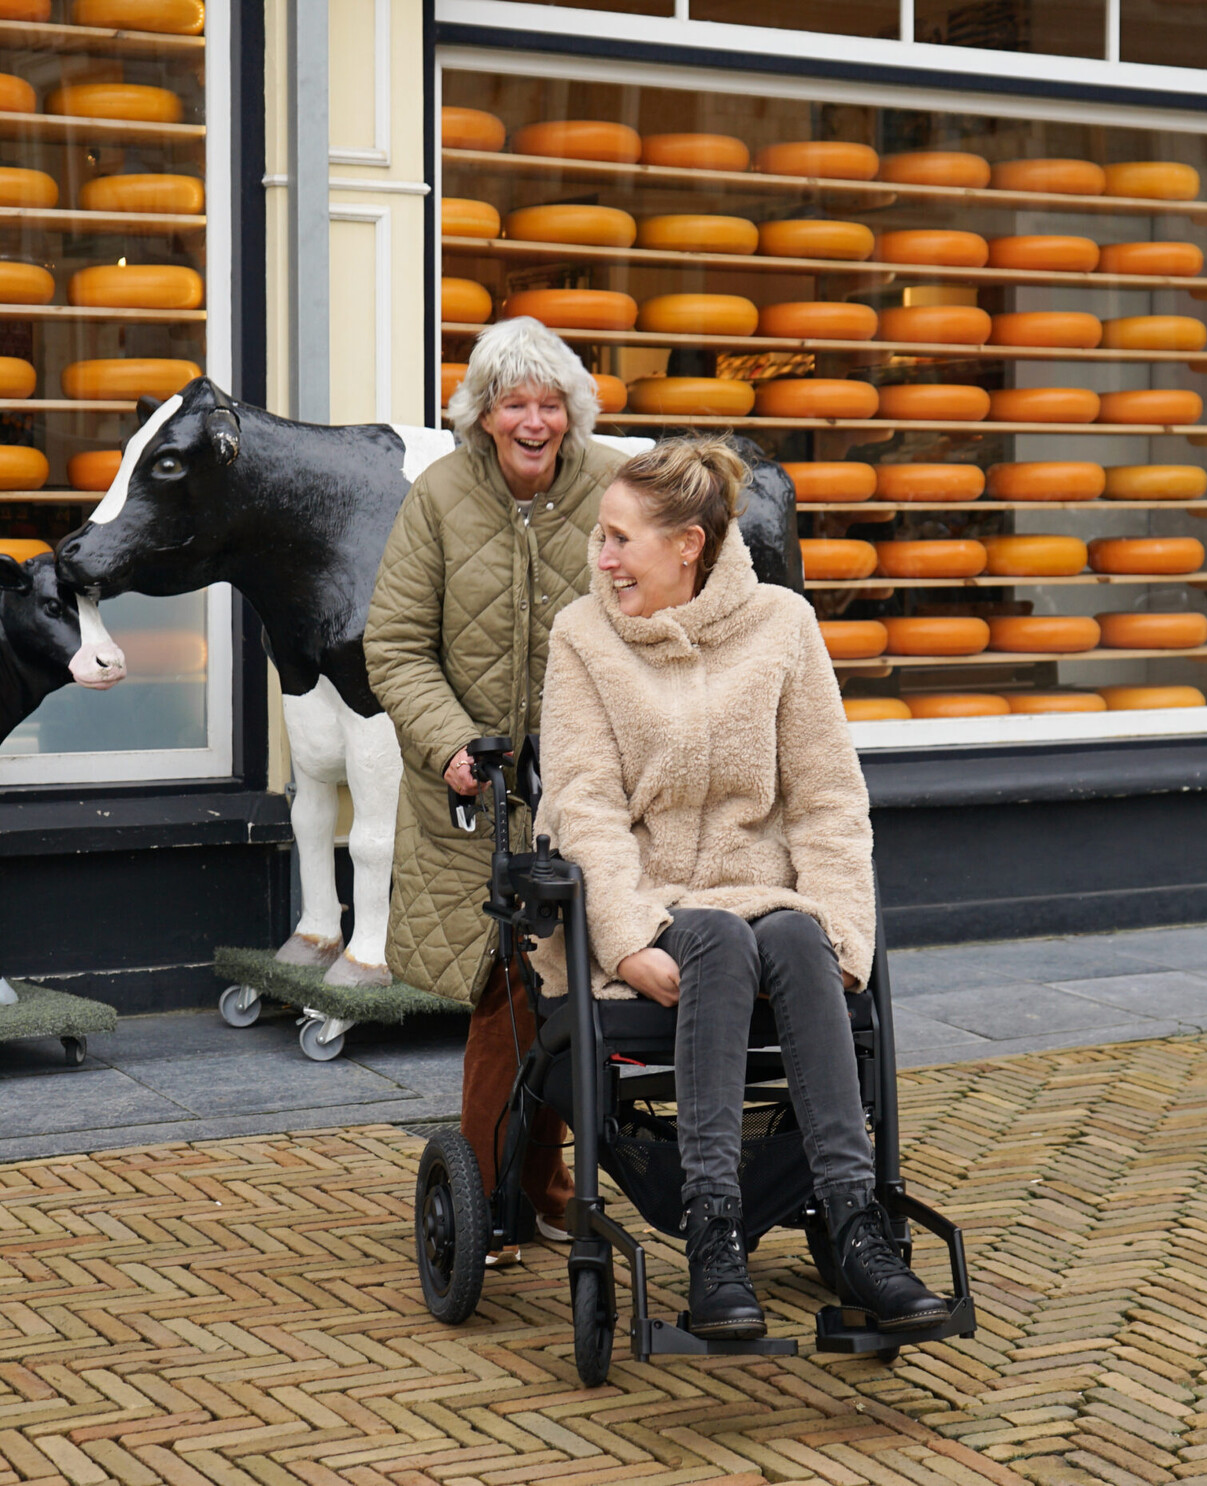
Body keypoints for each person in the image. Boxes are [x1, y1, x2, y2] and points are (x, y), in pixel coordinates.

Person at [534, 435, 948, 1339]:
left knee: (800, 940)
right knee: (719, 938)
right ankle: (713, 1237)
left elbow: (829, 799)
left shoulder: (783, 627)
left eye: (618, 540)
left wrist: (844, 931)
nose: (600, 559)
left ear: (688, 544)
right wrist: (629, 938)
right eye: (600, 540)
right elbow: (583, 807)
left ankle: (856, 1223)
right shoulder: (582, 636)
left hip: (770, 900)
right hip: (652, 900)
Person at [364, 317, 629, 1265]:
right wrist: (447, 748)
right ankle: (488, 1200)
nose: (533, 421)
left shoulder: (609, 491)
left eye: (549, 403)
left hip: (586, 787)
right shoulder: (437, 497)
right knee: (503, 989)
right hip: (471, 795)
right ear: (482, 414)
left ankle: (533, 1186)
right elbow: (392, 645)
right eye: (513, 402)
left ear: (572, 413)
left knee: (565, 986)